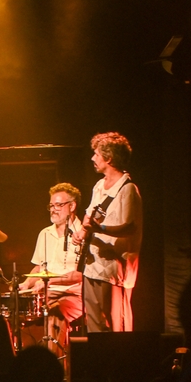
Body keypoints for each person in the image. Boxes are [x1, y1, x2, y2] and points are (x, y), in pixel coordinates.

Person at [72, 132, 142, 332]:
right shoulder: (99, 186)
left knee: (114, 325)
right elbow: (90, 215)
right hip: (92, 265)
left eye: (96, 154)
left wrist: (99, 229)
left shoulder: (128, 189)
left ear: (109, 158)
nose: (92, 158)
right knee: (94, 323)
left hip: (114, 269)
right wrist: (82, 232)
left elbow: (129, 227)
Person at [19, 183, 85, 350]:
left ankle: (55, 362)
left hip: (75, 294)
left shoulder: (83, 234)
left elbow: (82, 275)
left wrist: (48, 281)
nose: (53, 209)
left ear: (72, 206)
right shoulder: (45, 233)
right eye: (51, 205)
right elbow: (39, 268)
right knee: (18, 309)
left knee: (55, 312)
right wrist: (26, 284)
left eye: (58, 205)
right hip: (47, 293)